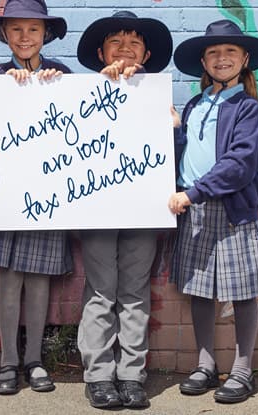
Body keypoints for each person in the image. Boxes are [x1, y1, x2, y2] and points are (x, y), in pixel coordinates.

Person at [168, 19, 258, 404]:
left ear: (245, 59)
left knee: (241, 289)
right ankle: (205, 364)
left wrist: (193, 193)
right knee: (200, 288)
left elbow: (240, 163)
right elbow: (185, 155)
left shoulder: (246, 107)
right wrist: (179, 131)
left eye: (230, 51)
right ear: (203, 61)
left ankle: (243, 369)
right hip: (193, 208)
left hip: (230, 209)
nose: (222, 58)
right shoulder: (196, 104)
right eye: (214, 52)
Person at [74, 10, 173, 409]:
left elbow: (172, 160)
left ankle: (131, 374)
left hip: (145, 209)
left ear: (146, 53)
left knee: (134, 292)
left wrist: (174, 131)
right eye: (116, 41)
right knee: (101, 292)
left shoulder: (158, 97)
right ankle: (98, 375)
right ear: (101, 52)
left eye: (134, 42)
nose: (125, 48)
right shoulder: (77, 94)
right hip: (98, 208)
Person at [0, 0, 72, 395]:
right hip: (6, 196)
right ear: (4, 35)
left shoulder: (61, 75)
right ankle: (8, 362)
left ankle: (34, 360)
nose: (24, 37)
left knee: (38, 282)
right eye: (16, 29)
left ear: (45, 34)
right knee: (10, 279)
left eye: (33, 30)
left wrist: (56, 86)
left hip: (47, 195)